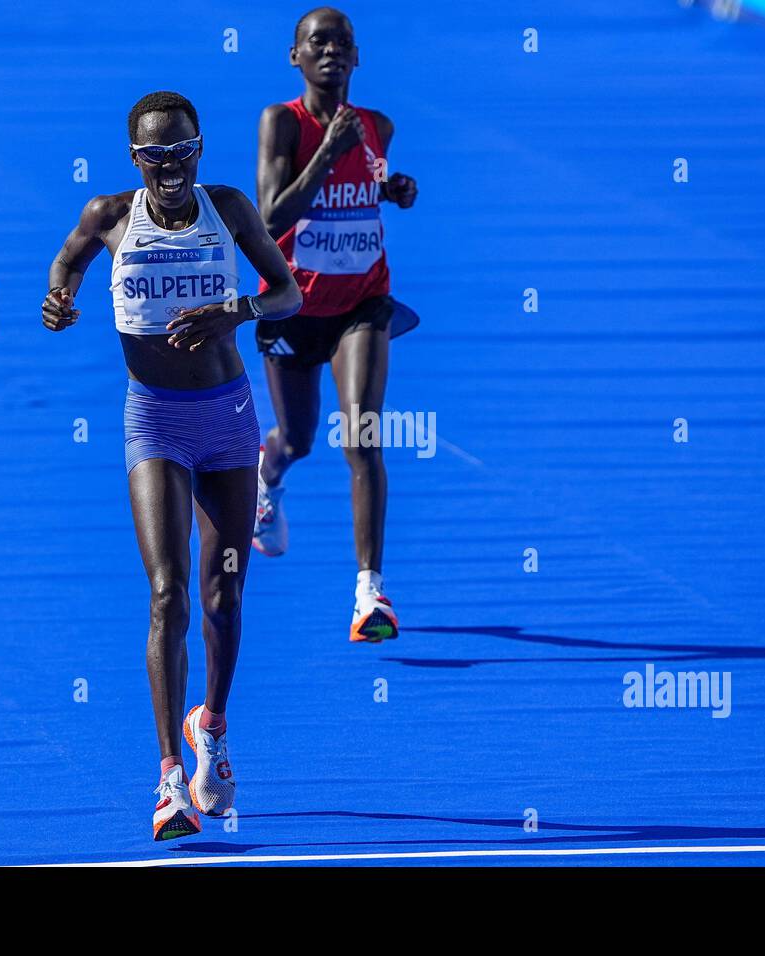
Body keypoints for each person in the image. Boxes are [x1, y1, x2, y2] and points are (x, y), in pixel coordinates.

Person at [42, 91, 302, 840]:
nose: (171, 168)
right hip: (154, 418)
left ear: (199, 148)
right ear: (135, 160)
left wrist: (236, 312)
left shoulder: (229, 210)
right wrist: (59, 299)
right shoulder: (110, 217)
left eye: (183, 151)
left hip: (227, 420)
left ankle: (210, 731)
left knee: (222, 598)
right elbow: (65, 264)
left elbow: (283, 291)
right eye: (155, 156)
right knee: (168, 593)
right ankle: (166, 781)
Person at [252, 6, 420, 644]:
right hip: (293, 306)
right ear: (295, 56)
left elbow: (365, 183)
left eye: (341, 43)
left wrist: (393, 188)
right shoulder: (282, 123)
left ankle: (369, 593)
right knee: (298, 441)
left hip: (362, 304)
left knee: (363, 436)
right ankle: (269, 477)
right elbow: (271, 216)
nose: (330, 51)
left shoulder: (378, 126)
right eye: (316, 42)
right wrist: (327, 151)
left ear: (357, 58)